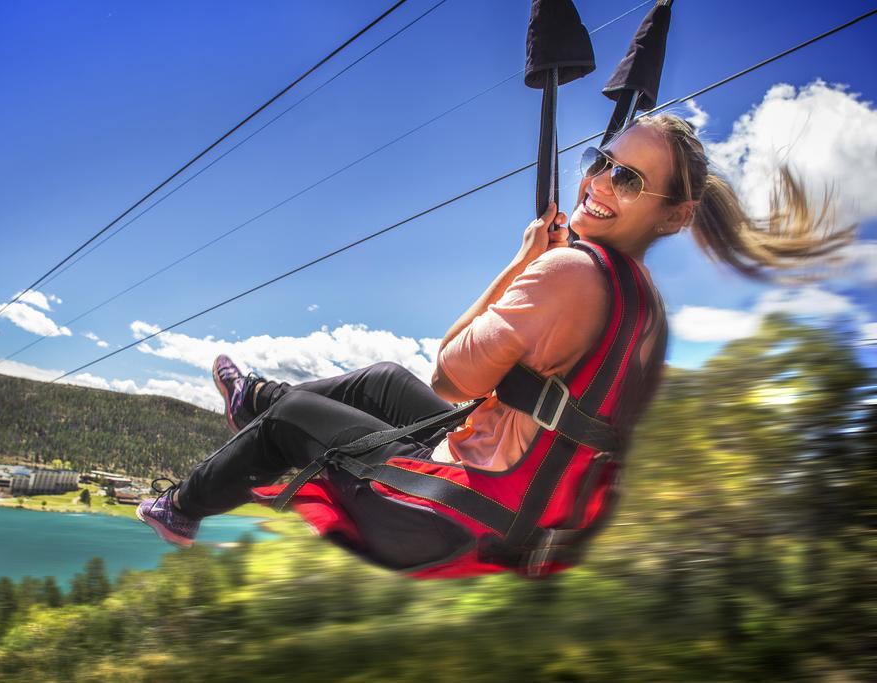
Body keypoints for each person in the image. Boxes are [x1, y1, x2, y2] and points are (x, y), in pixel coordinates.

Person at [137, 113, 853, 571]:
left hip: (445, 518)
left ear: (673, 215)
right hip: (519, 514)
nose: (599, 181)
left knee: (293, 421)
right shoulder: (647, 309)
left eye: (628, 179)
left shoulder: (571, 269)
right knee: (383, 377)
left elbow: (451, 373)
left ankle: (184, 505)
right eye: (604, 160)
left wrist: (523, 261)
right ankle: (252, 398)